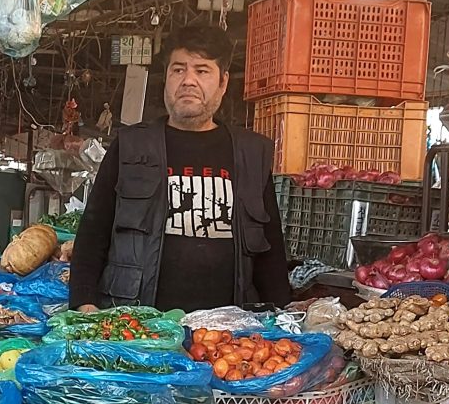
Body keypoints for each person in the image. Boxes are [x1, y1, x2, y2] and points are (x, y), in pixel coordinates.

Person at [69, 23, 291, 313]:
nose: (188, 80)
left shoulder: (251, 153)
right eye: (178, 70)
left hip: (227, 335)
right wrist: (84, 304)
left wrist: (284, 317)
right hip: (140, 325)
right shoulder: (130, 146)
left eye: (202, 70)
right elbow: (92, 234)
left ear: (223, 83)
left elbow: (270, 249)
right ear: (167, 80)